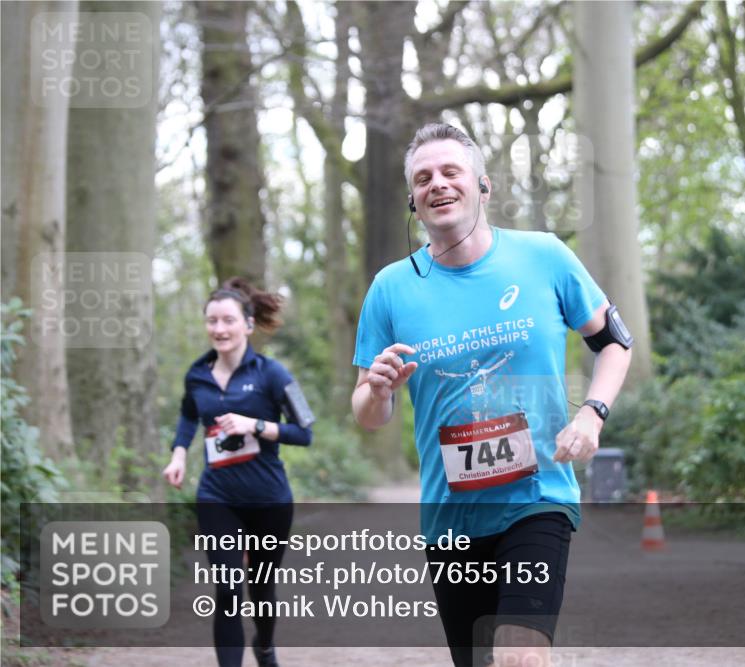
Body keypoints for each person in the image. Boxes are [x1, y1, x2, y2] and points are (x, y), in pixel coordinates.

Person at [352, 123, 632, 667]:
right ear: (413, 200)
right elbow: (368, 414)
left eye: (450, 171)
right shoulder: (390, 288)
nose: (437, 184)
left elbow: (615, 343)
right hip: (450, 518)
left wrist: (593, 415)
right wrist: (378, 389)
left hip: (538, 498)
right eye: (423, 178)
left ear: (483, 185)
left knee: (519, 656)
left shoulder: (544, 257)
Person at [163, 278, 314, 667]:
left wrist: (256, 426)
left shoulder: (273, 374)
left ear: (247, 324)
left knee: (261, 589)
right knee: (228, 589)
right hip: (218, 496)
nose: (219, 329)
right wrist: (179, 455)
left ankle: (264, 645)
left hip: (269, 500)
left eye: (228, 320)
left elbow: (304, 432)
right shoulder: (197, 374)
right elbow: (188, 415)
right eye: (212, 320)